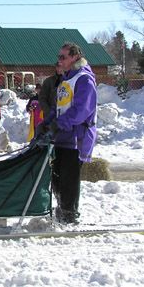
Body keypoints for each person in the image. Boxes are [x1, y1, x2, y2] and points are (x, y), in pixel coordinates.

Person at [46, 42, 97, 224]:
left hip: (77, 138)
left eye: (63, 57)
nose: (59, 61)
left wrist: (60, 124)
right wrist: (47, 123)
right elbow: (59, 107)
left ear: (75, 57)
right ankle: (61, 210)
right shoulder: (67, 79)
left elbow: (81, 110)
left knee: (69, 180)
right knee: (57, 178)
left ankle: (69, 215)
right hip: (62, 137)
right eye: (59, 57)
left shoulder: (84, 79)